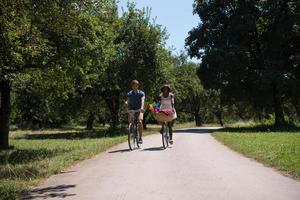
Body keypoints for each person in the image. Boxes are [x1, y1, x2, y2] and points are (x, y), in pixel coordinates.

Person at [126, 80, 145, 144]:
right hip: (132, 109)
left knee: (139, 121)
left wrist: (142, 107)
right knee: (130, 121)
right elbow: (128, 101)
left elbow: (142, 100)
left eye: (136, 85)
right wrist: (126, 106)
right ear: (132, 86)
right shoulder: (129, 93)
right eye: (133, 85)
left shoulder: (141, 93)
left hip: (139, 109)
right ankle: (131, 131)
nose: (135, 86)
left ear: (138, 86)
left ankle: (140, 137)